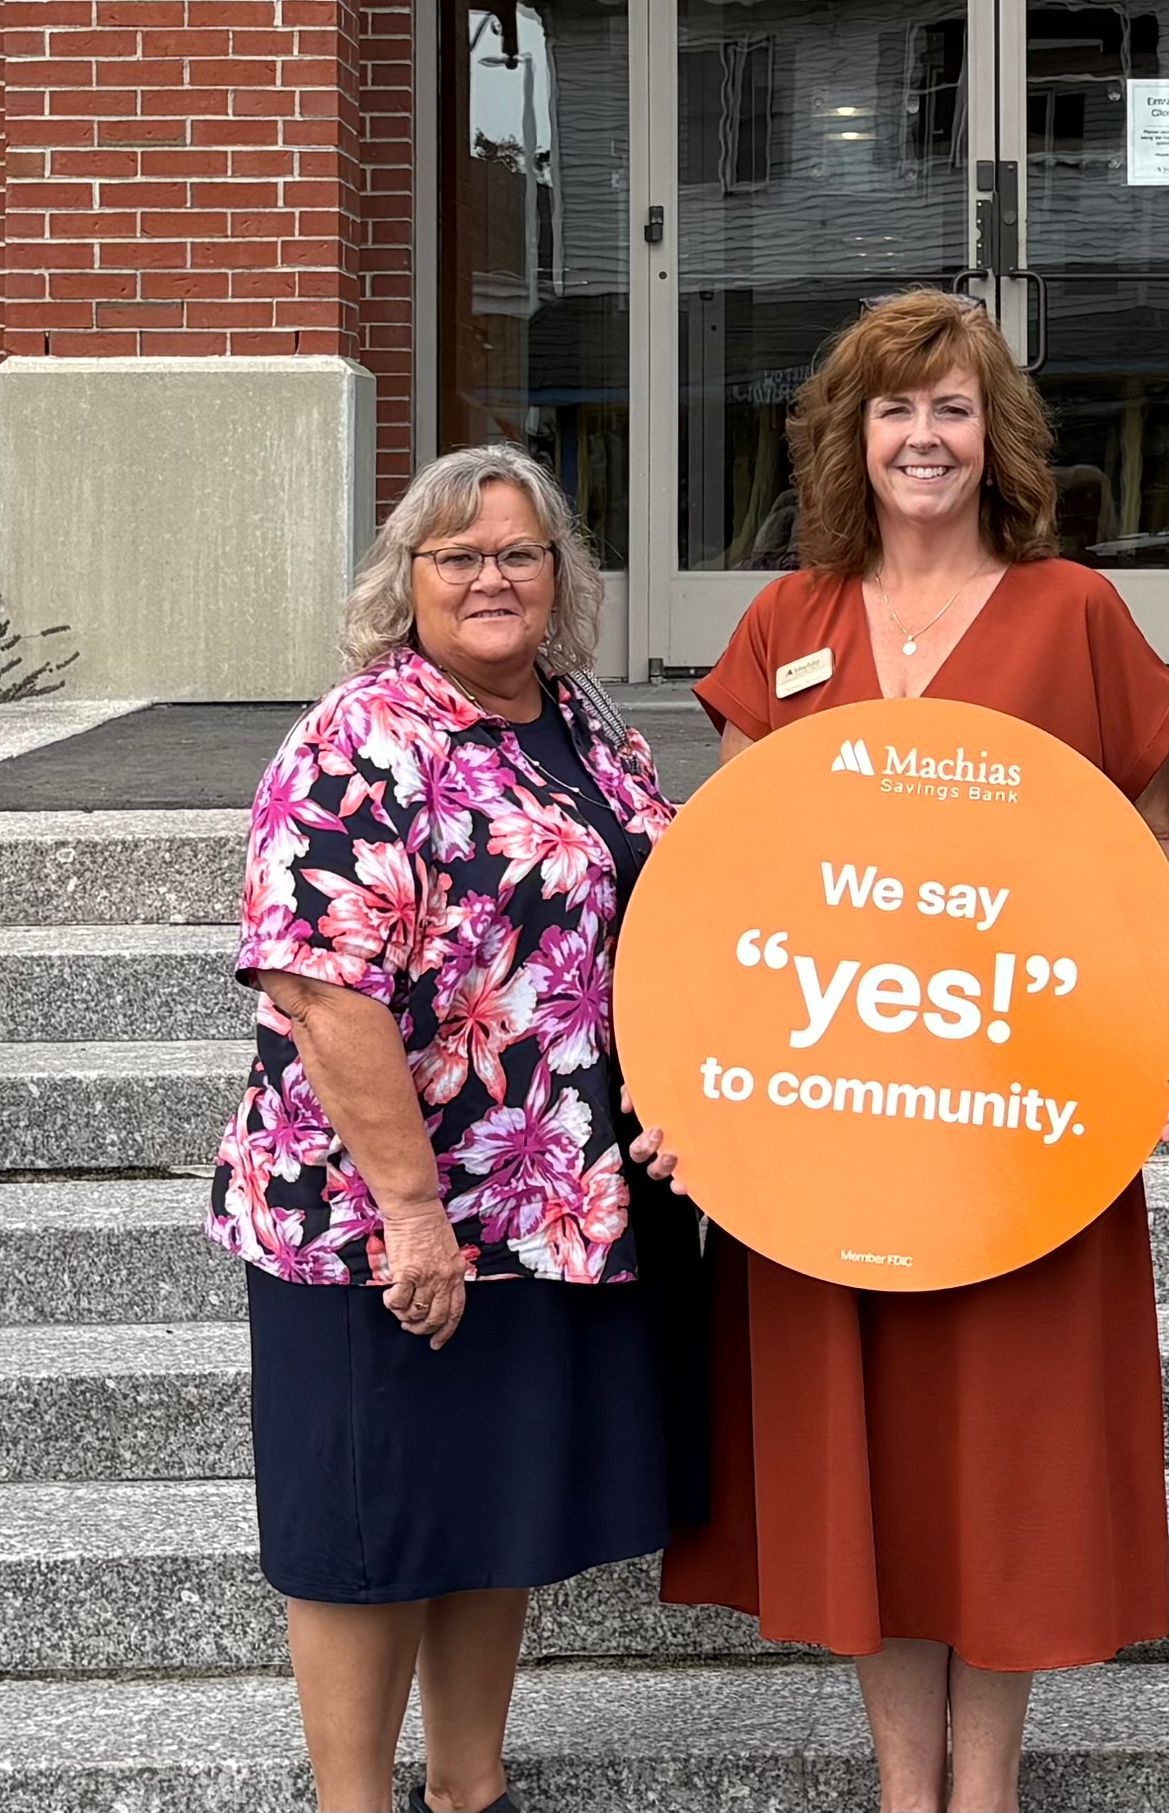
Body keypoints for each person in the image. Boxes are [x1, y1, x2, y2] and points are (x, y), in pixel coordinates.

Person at [654, 288, 1169, 1813]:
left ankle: (990, 1785)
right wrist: (695, 1081)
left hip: (1018, 1123)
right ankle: (907, 1789)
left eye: (953, 406)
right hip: (834, 1115)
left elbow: (1155, 845)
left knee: (998, 1454)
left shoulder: (1073, 609)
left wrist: (1156, 1017)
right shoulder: (790, 622)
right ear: (851, 434)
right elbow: (732, 880)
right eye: (895, 408)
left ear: (996, 434)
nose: (923, 435)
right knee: (874, 1464)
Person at [206, 443, 705, 1813]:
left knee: (491, 1510)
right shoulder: (358, 737)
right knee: (367, 1534)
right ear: (404, 582)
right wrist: (413, 1209)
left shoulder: (583, 718)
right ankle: (354, 1802)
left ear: (562, 578)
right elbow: (320, 983)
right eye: (458, 556)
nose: (492, 577)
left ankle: (469, 1791)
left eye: (519, 553)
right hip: (378, 1213)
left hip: (540, 1197)